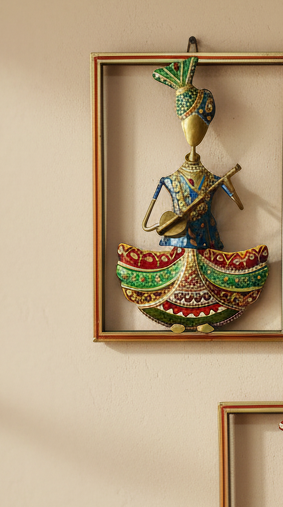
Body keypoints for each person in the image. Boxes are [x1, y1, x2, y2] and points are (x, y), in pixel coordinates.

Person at [116, 57, 269, 334]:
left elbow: (240, 205)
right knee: (177, 276)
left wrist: (230, 188)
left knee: (209, 277)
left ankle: (203, 319)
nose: (193, 132)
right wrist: (167, 223)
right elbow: (148, 222)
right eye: (189, 123)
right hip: (178, 239)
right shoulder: (169, 179)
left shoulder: (213, 178)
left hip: (207, 240)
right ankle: (177, 317)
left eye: (198, 125)